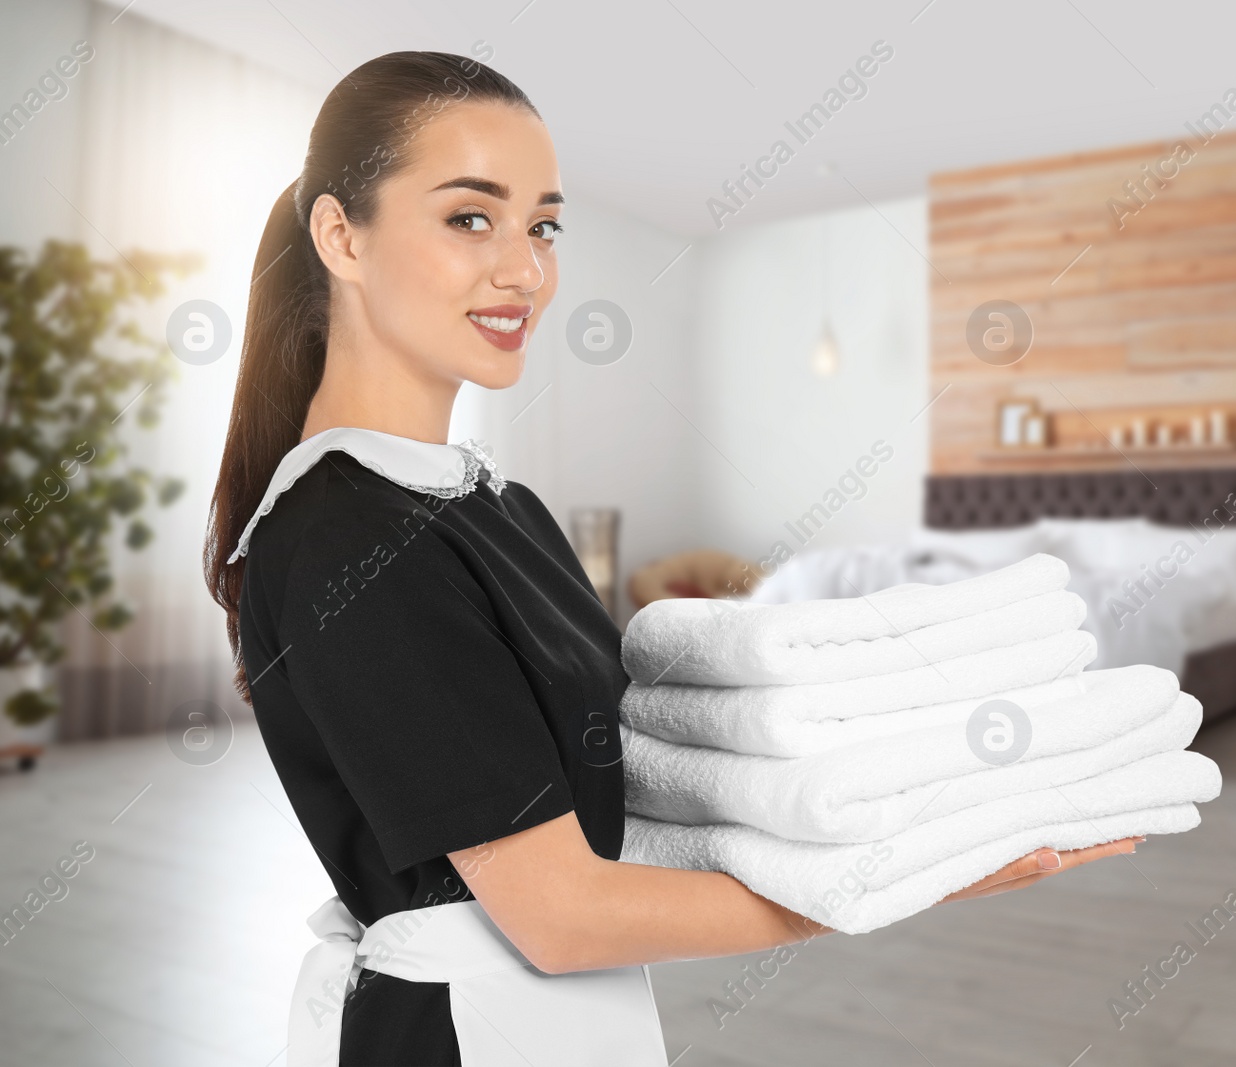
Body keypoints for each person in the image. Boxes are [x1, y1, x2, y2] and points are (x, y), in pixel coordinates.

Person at [203, 50, 1137, 1066]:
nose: (525, 268)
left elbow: (619, 799)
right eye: (470, 216)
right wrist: (887, 881)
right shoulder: (349, 535)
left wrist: (914, 816)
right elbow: (563, 913)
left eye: (543, 224)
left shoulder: (498, 506)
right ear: (341, 234)